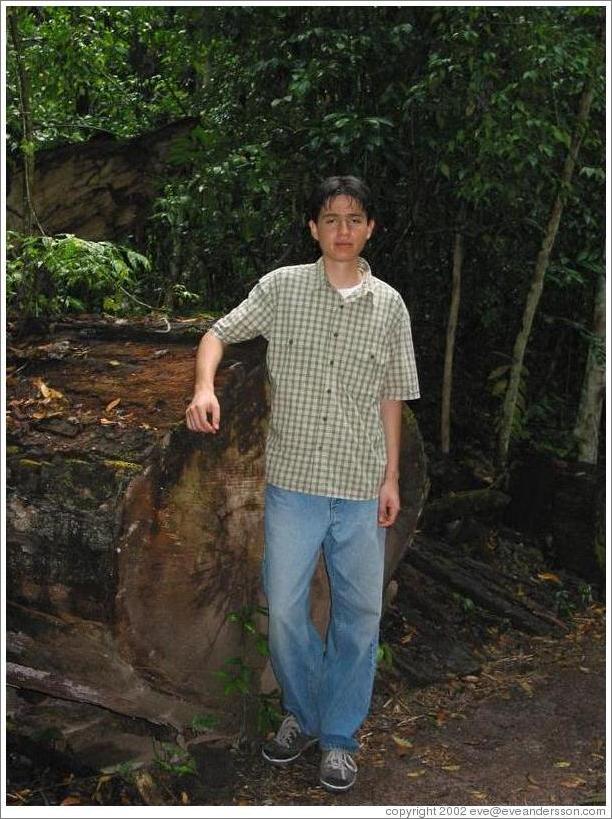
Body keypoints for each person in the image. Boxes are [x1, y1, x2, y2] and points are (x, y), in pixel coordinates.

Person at [186, 175, 419, 793]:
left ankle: (338, 737)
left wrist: (392, 478)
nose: (342, 229)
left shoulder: (389, 306)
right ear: (313, 228)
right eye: (330, 218)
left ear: (370, 228)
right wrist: (204, 386)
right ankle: (302, 713)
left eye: (354, 218)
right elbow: (217, 332)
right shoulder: (282, 289)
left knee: (359, 614)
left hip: (361, 483)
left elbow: (391, 396)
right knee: (285, 608)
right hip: (294, 482)